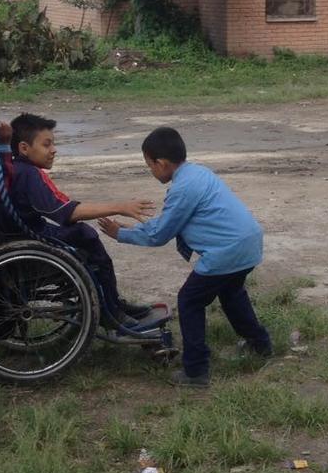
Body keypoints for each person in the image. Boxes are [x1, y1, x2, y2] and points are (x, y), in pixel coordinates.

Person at [99, 126, 271, 388]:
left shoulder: (183, 189)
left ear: (162, 163)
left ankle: (195, 371)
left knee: (189, 301)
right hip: (247, 245)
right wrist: (131, 230)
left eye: (150, 165)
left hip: (225, 252)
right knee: (232, 294)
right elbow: (167, 224)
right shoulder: (197, 173)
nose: (151, 171)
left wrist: (120, 234)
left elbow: (161, 234)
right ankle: (260, 345)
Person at [4, 113, 160, 331]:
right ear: (24, 148)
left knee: (81, 233)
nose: (54, 150)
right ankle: (110, 310)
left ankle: (113, 302)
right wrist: (120, 206)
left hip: (21, 232)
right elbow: (67, 212)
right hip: (29, 237)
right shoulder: (29, 174)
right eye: (47, 144)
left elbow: (62, 206)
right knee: (85, 234)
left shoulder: (17, 168)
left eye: (54, 144)